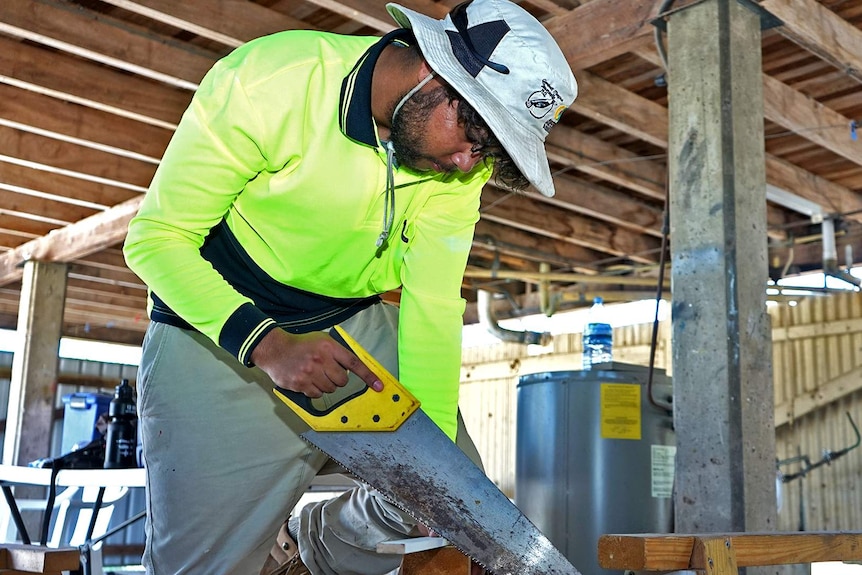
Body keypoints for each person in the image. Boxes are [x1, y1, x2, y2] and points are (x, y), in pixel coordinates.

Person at [122, 0, 577, 573]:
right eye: (474, 133)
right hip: (215, 329)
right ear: (433, 73)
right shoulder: (273, 81)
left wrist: (429, 479)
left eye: (486, 151)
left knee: (457, 505)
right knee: (203, 566)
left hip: (352, 324)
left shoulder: (458, 166)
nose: (468, 162)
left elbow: (432, 305)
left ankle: (317, 546)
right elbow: (155, 239)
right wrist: (266, 344)